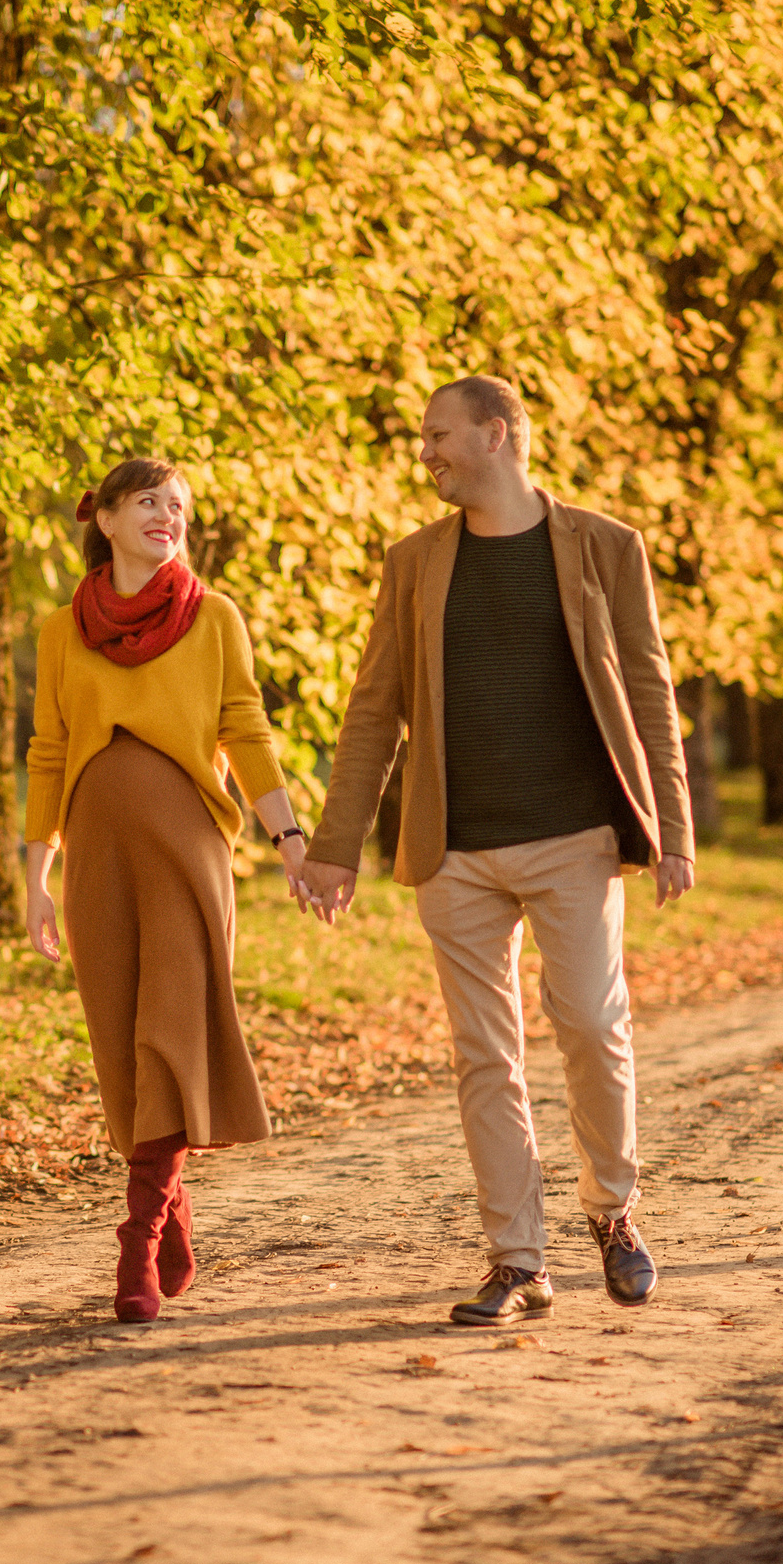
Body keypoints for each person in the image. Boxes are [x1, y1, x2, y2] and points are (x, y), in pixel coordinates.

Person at [300, 377, 695, 1328]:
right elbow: (373, 709)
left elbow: (649, 689)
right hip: (456, 851)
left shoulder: (605, 546)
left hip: (575, 839)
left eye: (438, 434)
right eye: (423, 438)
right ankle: (518, 1259)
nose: (425, 452)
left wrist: (673, 830)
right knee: (485, 1054)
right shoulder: (414, 563)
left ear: (497, 433)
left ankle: (613, 1211)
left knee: (592, 1026)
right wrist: (336, 844)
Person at [23, 457, 319, 1324]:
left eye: (179, 505)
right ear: (107, 518)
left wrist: (290, 838)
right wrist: (36, 874)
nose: (168, 515)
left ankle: (138, 1241)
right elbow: (49, 751)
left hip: (189, 851)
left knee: (172, 1033)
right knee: (121, 1045)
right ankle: (173, 1211)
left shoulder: (214, 617)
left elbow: (246, 729)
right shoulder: (60, 631)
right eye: (149, 500)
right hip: (97, 855)